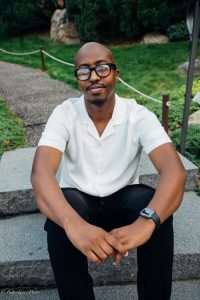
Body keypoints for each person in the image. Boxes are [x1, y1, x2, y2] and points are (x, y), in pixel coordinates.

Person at [31, 42, 186, 300]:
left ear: (116, 73)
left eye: (102, 68)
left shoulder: (138, 114)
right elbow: (41, 173)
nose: (93, 76)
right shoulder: (64, 113)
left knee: (158, 210)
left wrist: (147, 222)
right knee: (60, 214)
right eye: (84, 71)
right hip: (79, 200)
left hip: (124, 197)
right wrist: (73, 224)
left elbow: (174, 171)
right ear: (77, 78)